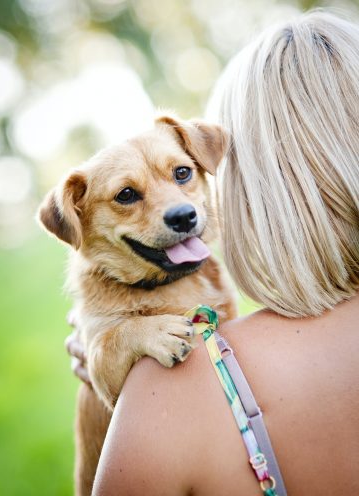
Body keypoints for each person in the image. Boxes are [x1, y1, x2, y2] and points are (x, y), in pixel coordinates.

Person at [67, 10, 359, 495]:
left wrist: (139, 388)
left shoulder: (181, 389)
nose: (178, 207)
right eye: (128, 196)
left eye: (187, 173)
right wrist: (112, 348)